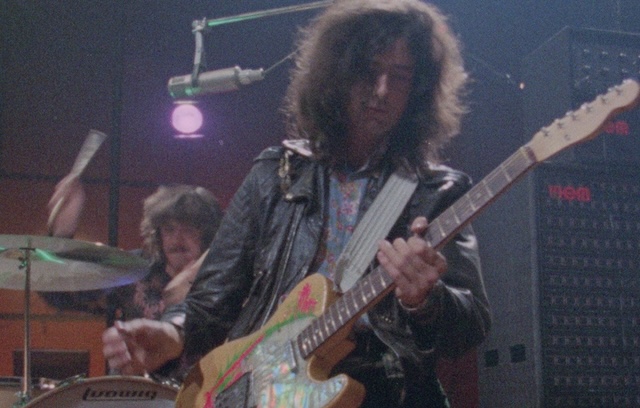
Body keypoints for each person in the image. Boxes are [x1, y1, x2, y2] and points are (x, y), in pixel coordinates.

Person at [102, 0, 492, 406]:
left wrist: (425, 300)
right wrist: (171, 333)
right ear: (337, 74)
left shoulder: (436, 190)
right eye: (368, 70)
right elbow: (211, 301)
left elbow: (472, 326)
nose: (381, 90)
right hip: (265, 390)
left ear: (419, 90)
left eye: (400, 77)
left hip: (385, 392)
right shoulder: (276, 174)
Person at [44, 177, 223, 380]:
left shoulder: (224, 279)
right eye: (169, 229)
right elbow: (62, 295)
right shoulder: (135, 269)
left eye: (189, 229)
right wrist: (61, 235)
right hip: (137, 390)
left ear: (208, 234)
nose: (177, 238)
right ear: (158, 234)